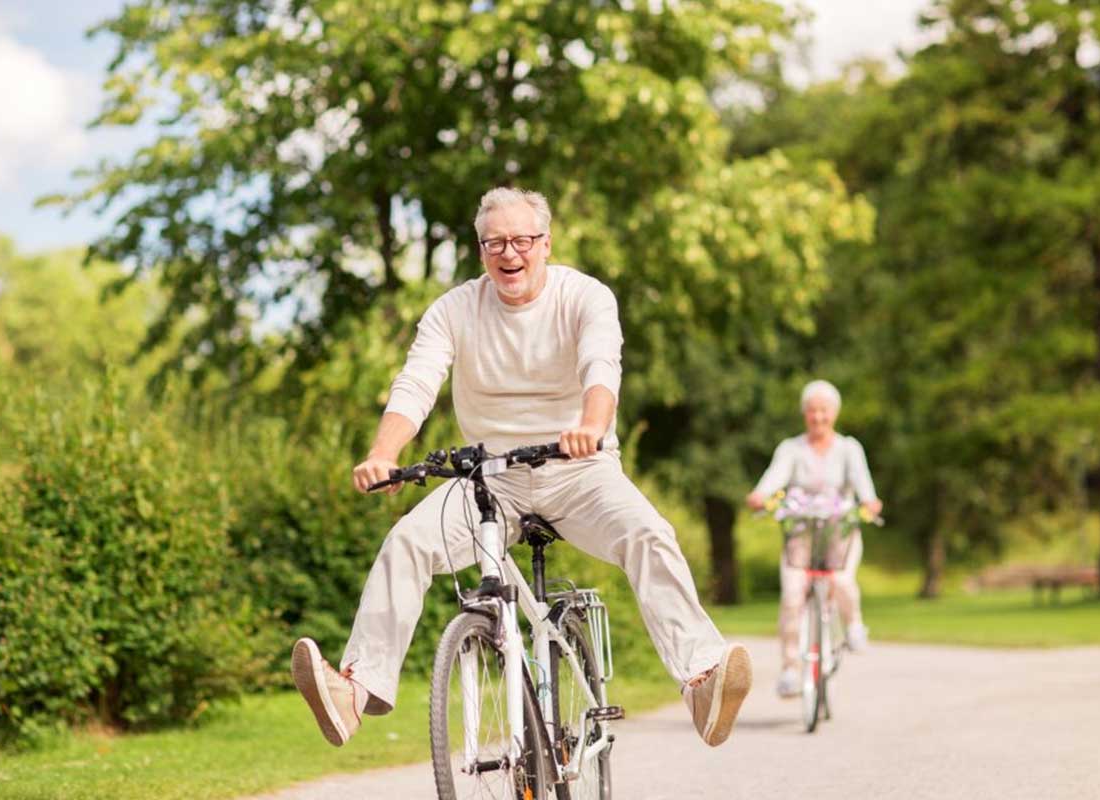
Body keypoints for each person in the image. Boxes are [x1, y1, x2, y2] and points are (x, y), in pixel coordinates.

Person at [291, 186, 752, 749]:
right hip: (490, 478)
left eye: (522, 240)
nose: (509, 253)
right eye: (495, 243)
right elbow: (416, 383)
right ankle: (354, 692)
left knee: (649, 534)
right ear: (481, 250)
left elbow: (601, 367)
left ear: (545, 244)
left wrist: (591, 425)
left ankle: (702, 679)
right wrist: (382, 454)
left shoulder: (585, 296)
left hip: (579, 470)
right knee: (406, 542)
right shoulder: (454, 309)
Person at [745, 379, 883, 698]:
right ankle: (791, 669)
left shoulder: (849, 448)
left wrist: (870, 502)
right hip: (801, 534)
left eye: (824, 411)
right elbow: (773, 478)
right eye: (812, 411)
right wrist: (760, 495)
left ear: (834, 413)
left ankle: (853, 625)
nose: (818, 417)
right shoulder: (791, 449)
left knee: (841, 580)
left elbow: (864, 486)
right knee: (793, 595)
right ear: (804, 414)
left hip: (839, 532)